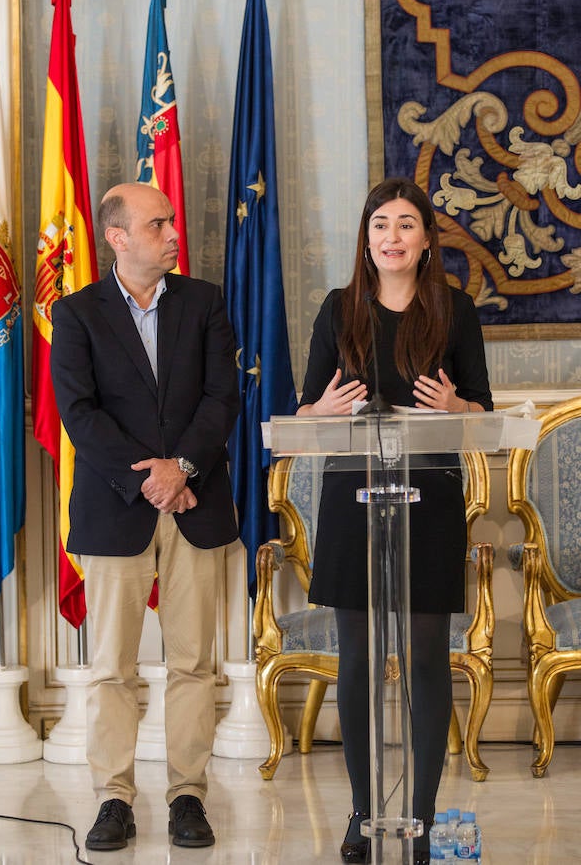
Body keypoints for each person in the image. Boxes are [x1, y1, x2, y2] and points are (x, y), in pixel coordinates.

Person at [297, 177, 493, 865]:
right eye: (381, 224)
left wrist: (456, 410)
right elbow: (305, 412)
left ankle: (421, 815)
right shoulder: (337, 309)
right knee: (356, 658)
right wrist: (318, 413)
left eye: (406, 224)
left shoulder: (456, 311)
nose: (392, 237)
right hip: (353, 498)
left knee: (424, 661)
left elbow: (483, 412)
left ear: (427, 239)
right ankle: (360, 813)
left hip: (430, 497)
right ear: (366, 237)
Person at [50, 182, 239, 852]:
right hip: (116, 507)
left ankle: (188, 794)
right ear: (118, 237)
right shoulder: (74, 314)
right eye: (157, 223)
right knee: (112, 666)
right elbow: (80, 413)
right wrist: (153, 478)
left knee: (193, 662)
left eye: (170, 221)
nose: (171, 231)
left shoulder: (205, 302)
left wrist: (181, 468)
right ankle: (113, 800)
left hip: (196, 500)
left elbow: (223, 397)